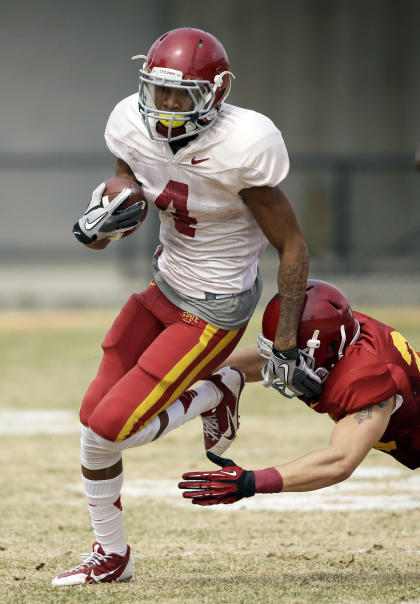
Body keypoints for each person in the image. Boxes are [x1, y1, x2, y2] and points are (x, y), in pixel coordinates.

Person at [52, 27, 320, 586]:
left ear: (217, 93)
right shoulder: (130, 121)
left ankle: (216, 389)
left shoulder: (244, 144)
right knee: (92, 427)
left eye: (183, 96)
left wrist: (288, 339)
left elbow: (291, 245)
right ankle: (112, 556)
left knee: (113, 425)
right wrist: (99, 223)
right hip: (164, 285)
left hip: (216, 306)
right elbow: (129, 203)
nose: (168, 108)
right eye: (161, 92)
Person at [179, 279, 420, 506]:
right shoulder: (338, 335)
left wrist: (250, 482)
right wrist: (183, 371)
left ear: (325, 348)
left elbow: (340, 461)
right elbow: (274, 359)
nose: (276, 367)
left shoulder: (368, 377)